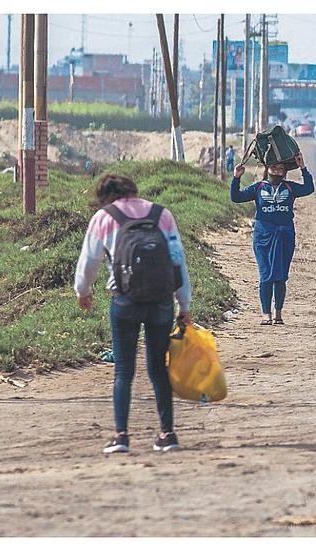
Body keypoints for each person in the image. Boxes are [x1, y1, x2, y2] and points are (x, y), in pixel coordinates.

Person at [74, 174, 192, 454]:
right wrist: (183, 305)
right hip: (161, 301)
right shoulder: (162, 214)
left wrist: (83, 291)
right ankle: (167, 434)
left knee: (124, 371)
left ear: (105, 196)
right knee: (157, 370)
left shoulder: (104, 217)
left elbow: (89, 262)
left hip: (124, 301)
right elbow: (177, 260)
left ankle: (121, 436)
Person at [231, 153, 315, 325]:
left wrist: (303, 168)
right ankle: (265, 314)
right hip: (263, 237)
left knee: (281, 276)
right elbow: (236, 197)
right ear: (267, 169)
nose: (276, 171)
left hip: (285, 236)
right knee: (266, 275)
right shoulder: (258, 188)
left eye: (280, 169)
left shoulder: (290, 187)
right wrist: (236, 178)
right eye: (273, 168)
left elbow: (309, 188)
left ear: (284, 172)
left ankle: (278, 313)